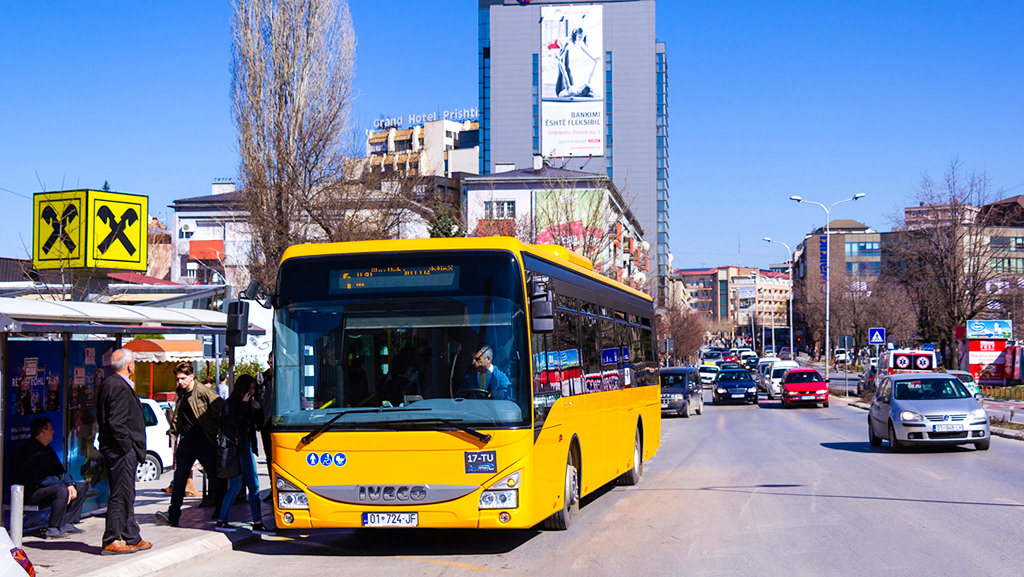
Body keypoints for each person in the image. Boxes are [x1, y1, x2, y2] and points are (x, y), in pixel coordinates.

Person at [96, 348, 151, 555]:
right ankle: (111, 539)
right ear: (130, 365)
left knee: (127, 493)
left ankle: (132, 536)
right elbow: (116, 422)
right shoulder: (118, 386)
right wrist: (128, 447)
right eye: (134, 362)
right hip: (120, 451)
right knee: (120, 494)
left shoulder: (111, 384)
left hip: (119, 449)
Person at [156, 362, 225, 527]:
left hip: (204, 440)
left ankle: (222, 511)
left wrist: (216, 430)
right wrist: (173, 433)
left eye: (183, 378)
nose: (180, 382)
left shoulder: (202, 391)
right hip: (187, 440)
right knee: (180, 478)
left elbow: (221, 408)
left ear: (192, 376)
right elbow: (179, 416)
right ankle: (174, 515)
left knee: (214, 476)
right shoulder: (181, 392)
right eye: (178, 379)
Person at [214, 374, 271, 534]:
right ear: (243, 388)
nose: (252, 392)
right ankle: (223, 520)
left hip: (246, 448)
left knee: (251, 486)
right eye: (250, 388)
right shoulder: (230, 404)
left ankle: (256, 522)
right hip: (236, 451)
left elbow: (258, 425)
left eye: (254, 389)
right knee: (238, 487)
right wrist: (245, 405)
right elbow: (234, 424)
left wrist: (257, 409)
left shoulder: (249, 403)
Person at [14, 417, 89, 539]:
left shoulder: (47, 448)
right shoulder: (28, 451)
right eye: (50, 429)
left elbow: (60, 471)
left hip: (49, 488)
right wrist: (63, 486)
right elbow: (38, 479)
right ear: (43, 432)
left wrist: (69, 484)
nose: (53, 432)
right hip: (32, 492)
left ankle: (67, 523)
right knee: (60, 491)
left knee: (80, 487)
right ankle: (53, 529)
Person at [256, 352, 274, 503]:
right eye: (270, 361)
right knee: (269, 458)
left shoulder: (287, 378)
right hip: (265, 424)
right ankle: (272, 488)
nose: (272, 364)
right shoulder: (261, 379)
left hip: (282, 424)